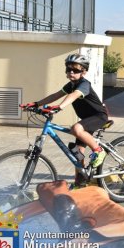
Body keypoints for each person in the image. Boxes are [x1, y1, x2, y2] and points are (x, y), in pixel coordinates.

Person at [20, 54, 109, 189]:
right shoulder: (70, 85)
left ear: (84, 71)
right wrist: (36, 104)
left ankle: (99, 150)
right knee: (77, 155)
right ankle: (81, 183)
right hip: (86, 120)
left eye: (76, 70)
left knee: (76, 129)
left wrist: (60, 107)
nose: (71, 72)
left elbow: (74, 95)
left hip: (98, 116)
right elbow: (56, 95)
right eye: (69, 69)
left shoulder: (84, 84)